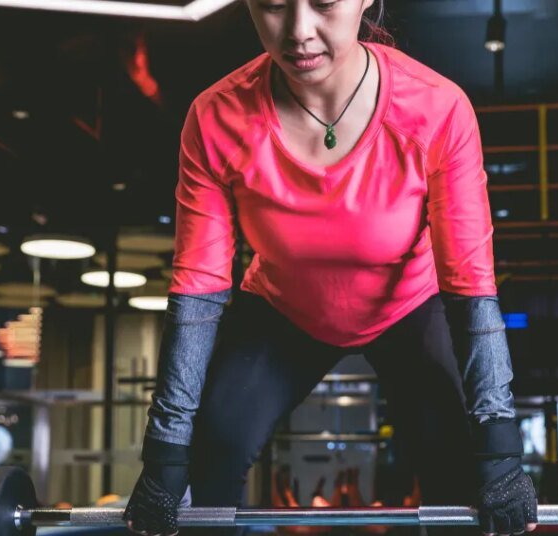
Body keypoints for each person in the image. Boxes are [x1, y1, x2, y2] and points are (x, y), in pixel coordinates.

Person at [122, 1, 537, 535]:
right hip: (283, 310)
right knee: (210, 450)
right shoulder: (216, 116)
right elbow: (199, 288)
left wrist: (500, 445)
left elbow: (471, 286)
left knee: (462, 469)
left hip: (408, 306)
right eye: (273, 4)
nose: (299, 31)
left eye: (323, 2)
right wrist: (165, 449)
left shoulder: (437, 108)